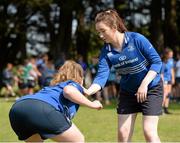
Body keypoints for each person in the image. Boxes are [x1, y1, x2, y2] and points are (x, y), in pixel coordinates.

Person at [84, 9, 163, 142]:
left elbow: (157, 62)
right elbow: (101, 76)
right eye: (98, 32)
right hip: (128, 92)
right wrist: (87, 91)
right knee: (123, 134)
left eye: (103, 31)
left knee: (149, 132)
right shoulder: (106, 52)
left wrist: (144, 84)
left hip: (151, 89)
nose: (101, 36)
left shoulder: (137, 39)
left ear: (114, 27)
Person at [9, 60, 103, 142]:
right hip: (41, 108)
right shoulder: (73, 83)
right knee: (78, 139)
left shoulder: (52, 87)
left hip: (17, 109)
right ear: (80, 77)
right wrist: (92, 104)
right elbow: (69, 91)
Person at [161, 48, 175, 114]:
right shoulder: (163, 62)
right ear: (166, 54)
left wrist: (173, 78)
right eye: (170, 54)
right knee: (164, 94)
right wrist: (163, 81)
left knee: (168, 94)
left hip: (169, 79)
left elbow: (172, 69)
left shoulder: (171, 60)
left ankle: (166, 108)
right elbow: (161, 73)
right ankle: (160, 109)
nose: (172, 55)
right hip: (165, 80)